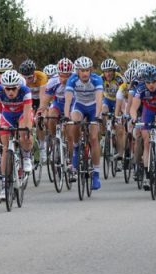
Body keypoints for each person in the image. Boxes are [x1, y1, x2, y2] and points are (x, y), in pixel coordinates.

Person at [0, 69, 33, 200]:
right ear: (3, 87)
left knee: (23, 133)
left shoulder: (25, 91)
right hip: (7, 115)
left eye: (13, 89)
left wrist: (27, 130)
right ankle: (4, 185)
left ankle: (26, 156)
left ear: (18, 86)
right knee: (5, 147)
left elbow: (27, 114)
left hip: (22, 114)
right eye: (7, 89)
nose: (10, 92)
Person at [63, 56, 104, 190]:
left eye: (87, 70)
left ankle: (96, 174)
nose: (85, 73)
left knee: (93, 138)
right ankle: (75, 148)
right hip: (79, 105)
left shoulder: (97, 79)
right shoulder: (72, 80)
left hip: (93, 107)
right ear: (77, 71)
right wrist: (66, 116)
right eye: (82, 70)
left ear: (91, 70)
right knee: (74, 122)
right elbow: (68, 101)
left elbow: (99, 101)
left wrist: (97, 117)